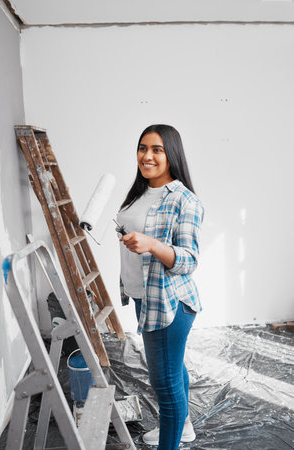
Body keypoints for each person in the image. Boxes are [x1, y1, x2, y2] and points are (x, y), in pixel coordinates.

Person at [116, 124, 204, 450]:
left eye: (157, 149)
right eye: (142, 148)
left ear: (172, 154)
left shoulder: (185, 201)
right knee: (173, 367)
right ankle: (185, 428)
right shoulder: (140, 192)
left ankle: (173, 439)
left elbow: (189, 260)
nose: (147, 156)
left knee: (164, 384)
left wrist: (151, 244)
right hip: (144, 298)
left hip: (170, 304)